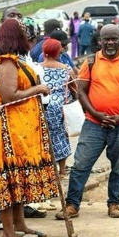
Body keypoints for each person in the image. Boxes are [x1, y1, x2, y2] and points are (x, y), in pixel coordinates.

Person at [0, 19, 58, 237]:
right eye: (24, 32)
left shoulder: (15, 61)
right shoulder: (6, 63)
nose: (28, 36)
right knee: (9, 179)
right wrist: (38, 89)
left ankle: (20, 225)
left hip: (21, 130)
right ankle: (8, 234)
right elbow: (9, 96)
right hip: (8, 131)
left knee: (18, 179)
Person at [57, 24, 119, 221]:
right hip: (94, 123)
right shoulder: (91, 62)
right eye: (106, 39)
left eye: (114, 39)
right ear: (100, 41)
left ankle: (114, 203)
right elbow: (81, 91)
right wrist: (95, 113)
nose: (110, 43)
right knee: (81, 164)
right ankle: (72, 205)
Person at [41, 38, 76, 177]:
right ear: (58, 51)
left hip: (43, 106)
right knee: (61, 136)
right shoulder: (65, 69)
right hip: (61, 109)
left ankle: (49, 171)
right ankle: (62, 170)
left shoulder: (37, 68)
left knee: (45, 137)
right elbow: (74, 87)